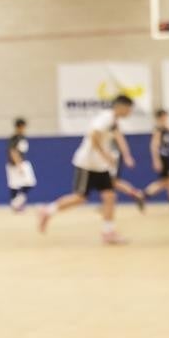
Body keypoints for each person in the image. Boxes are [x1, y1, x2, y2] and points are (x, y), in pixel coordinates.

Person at [37, 95, 136, 244]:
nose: (130, 112)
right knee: (80, 198)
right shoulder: (105, 118)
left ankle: (108, 232)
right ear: (121, 107)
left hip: (100, 166)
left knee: (109, 196)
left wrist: (126, 155)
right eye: (129, 109)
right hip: (88, 164)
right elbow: (93, 135)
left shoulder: (114, 121)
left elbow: (118, 136)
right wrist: (105, 155)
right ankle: (47, 211)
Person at [6, 118, 36, 212]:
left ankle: (16, 203)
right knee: (14, 185)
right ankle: (15, 205)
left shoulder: (22, 137)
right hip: (16, 164)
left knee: (30, 183)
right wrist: (19, 165)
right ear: (20, 126)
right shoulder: (15, 138)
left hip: (22, 162)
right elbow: (13, 151)